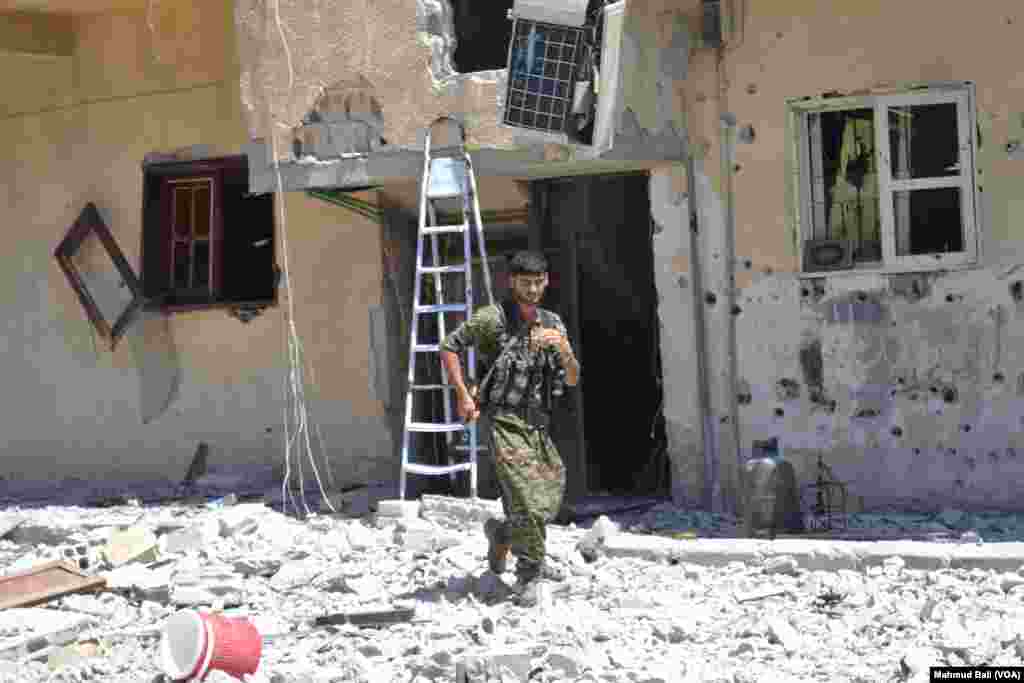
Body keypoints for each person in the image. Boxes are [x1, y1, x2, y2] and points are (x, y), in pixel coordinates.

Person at [439, 250, 580, 606]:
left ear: (546, 282)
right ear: (512, 282)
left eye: (538, 282)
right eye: (525, 283)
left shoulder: (552, 322)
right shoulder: (493, 319)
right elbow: (449, 346)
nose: (532, 290)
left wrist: (563, 350)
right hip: (502, 420)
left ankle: (503, 534)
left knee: (547, 497)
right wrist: (462, 394)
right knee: (526, 499)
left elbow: (574, 378)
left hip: (538, 424)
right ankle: (530, 574)